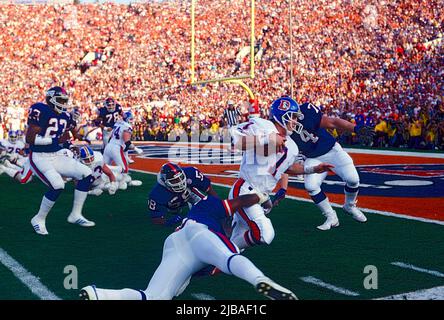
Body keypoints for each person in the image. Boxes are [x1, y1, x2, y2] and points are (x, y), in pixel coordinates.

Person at [79, 192, 297, 300]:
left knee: (155, 296)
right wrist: (262, 197)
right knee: (229, 257)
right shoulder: (209, 207)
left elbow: (205, 270)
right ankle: (260, 280)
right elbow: (240, 201)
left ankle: (100, 295)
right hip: (198, 233)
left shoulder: (198, 214)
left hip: (175, 244)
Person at [229, 97, 334, 250]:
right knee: (265, 234)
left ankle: (217, 257)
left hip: (262, 196)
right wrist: (267, 138)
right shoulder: (264, 125)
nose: (295, 121)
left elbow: (286, 168)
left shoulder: (292, 146)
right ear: (281, 115)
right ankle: (224, 249)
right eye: (292, 116)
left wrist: (312, 169)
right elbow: (236, 142)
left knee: (239, 245)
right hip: (245, 189)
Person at [288, 99, 375, 230]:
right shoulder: (281, 130)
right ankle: (331, 216)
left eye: (291, 116)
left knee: (353, 179)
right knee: (311, 186)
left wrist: (356, 128)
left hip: (332, 150)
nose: (290, 120)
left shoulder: (307, 112)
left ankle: (349, 206)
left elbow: (333, 122)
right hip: (313, 157)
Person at [26, 86, 96, 235]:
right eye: (60, 100)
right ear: (51, 99)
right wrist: (55, 139)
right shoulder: (41, 110)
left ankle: (75, 214)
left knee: (87, 173)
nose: (63, 103)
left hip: (56, 155)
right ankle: (38, 219)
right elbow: (30, 139)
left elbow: (72, 134)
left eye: (65, 100)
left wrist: (79, 138)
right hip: (39, 157)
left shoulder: (66, 116)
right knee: (57, 185)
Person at [148, 162, 219, 226]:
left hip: (189, 193)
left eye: (180, 178)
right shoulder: (157, 194)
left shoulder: (191, 172)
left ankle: (197, 205)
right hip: (172, 204)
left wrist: (218, 205)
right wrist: (168, 222)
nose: (180, 182)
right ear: (165, 181)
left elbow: (209, 189)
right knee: (174, 210)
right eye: (174, 181)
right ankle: (175, 209)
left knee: (206, 206)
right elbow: (156, 219)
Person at [103, 111, 143, 189]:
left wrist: (126, 156)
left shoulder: (117, 123)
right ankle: (122, 183)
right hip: (116, 148)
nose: (132, 120)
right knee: (124, 169)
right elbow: (127, 142)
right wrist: (136, 149)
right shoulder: (127, 126)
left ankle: (102, 183)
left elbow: (112, 137)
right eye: (131, 119)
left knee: (102, 169)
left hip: (108, 146)